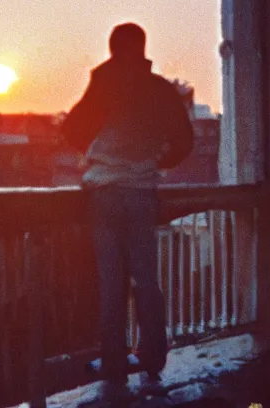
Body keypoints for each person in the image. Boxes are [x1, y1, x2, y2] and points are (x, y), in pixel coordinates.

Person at [61, 23, 194, 391]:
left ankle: (115, 360)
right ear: (142, 47)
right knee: (146, 278)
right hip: (140, 192)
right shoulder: (158, 89)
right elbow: (185, 139)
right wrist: (154, 160)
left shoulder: (104, 83)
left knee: (111, 280)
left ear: (113, 47)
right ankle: (153, 355)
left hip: (104, 192)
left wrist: (100, 151)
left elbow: (72, 128)